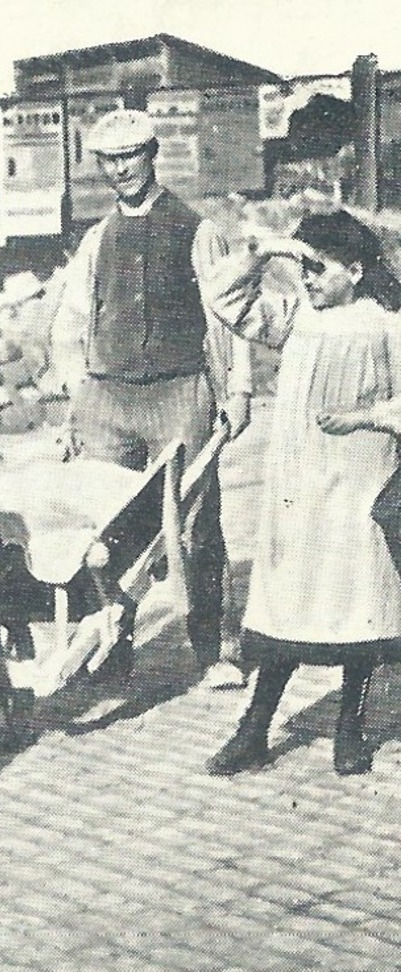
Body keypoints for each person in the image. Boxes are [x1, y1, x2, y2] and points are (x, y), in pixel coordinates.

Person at [48, 108, 253, 688]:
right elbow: (70, 323)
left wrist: (236, 391)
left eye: (131, 155)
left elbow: (229, 317)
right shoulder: (96, 239)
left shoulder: (197, 230)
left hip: (178, 393)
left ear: (152, 153)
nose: (122, 170)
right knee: (106, 527)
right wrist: (77, 391)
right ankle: (113, 643)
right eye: (110, 160)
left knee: (194, 525)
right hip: (108, 400)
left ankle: (215, 650)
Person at [204, 211, 401, 776]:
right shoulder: (296, 317)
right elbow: (227, 298)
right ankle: (253, 732)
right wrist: (264, 252)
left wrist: (367, 415)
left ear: (357, 271)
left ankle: (349, 733)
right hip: (299, 491)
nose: (307, 279)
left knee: (357, 613)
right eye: (303, 266)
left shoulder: (387, 324)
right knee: (286, 613)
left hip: (361, 485)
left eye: (318, 267)